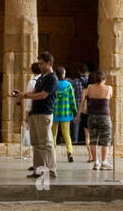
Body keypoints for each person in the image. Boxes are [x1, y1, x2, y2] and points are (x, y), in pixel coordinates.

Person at [15, 51, 58, 179]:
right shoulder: (41, 77)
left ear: (49, 63)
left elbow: (43, 95)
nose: (39, 66)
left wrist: (26, 95)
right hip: (35, 113)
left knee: (46, 142)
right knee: (36, 143)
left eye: (41, 63)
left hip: (44, 113)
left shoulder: (52, 78)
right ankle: (39, 170)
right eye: (39, 63)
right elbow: (34, 91)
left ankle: (51, 169)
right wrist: (22, 94)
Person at [83, 71, 113, 170]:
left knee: (93, 139)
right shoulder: (108, 88)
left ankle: (96, 162)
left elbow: (86, 98)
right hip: (104, 115)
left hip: (92, 116)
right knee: (105, 139)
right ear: (104, 79)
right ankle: (104, 161)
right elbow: (110, 97)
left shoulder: (90, 88)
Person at [52, 67, 77, 163]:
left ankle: (53, 154)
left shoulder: (54, 85)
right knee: (67, 135)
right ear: (63, 74)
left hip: (54, 113)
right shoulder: (68, 85)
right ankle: (70, 152)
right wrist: (74, 112)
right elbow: (72, 100)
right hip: (66, 114)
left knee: (53, 135)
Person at [19, 61, 40, 160]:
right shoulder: (45, 80)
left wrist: (26, 114)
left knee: (35, 137)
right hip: (45, 112)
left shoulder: (32, 82)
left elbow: (29, 99)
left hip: (34, 112)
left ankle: (36, 160)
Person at [73, 62, 92, 164]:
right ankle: (95, 155)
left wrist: (77, 114)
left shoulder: (76, 82)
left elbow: (80, 102)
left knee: (85, 134)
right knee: (93, 135)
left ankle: (76, 141)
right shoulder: (92, 85)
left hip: (80, 107)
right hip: (93, 111)